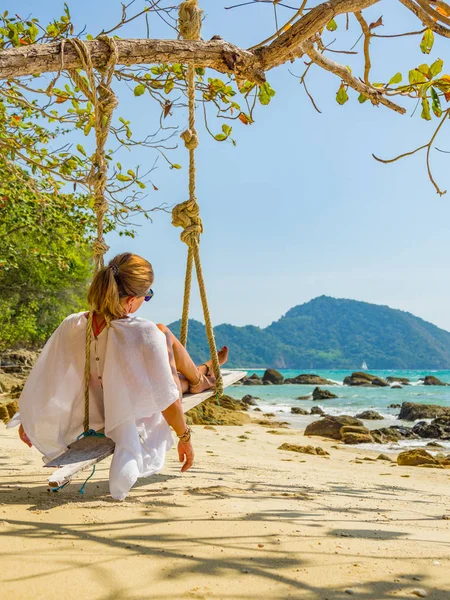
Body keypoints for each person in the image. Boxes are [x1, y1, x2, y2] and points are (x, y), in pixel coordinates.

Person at [11, 252, 229, 500]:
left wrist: (29, 418)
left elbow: (47, 377)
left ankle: (202, 375)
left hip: (93, 412)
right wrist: (184, 437)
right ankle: (202, 376)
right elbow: (167, 400)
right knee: (165, 343)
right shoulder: (142, 332)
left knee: (162, 335)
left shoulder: (72, 324)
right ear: (131, 300)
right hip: (128, 411)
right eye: (147, 296)